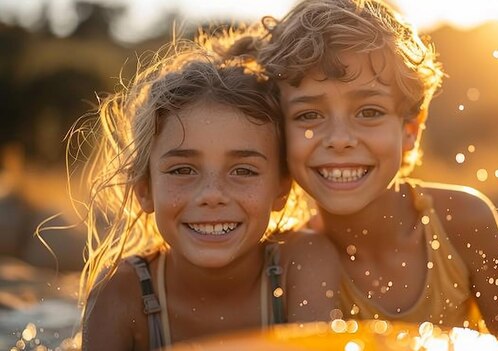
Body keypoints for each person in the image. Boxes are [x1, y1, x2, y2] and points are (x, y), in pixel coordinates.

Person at [258, 0, 498, 349]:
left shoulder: (462, 220)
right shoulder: (289, 260)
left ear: (410, 129)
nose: (339, 139)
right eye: (308, 116)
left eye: (368, 111)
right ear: (278, 134)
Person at [71, 34, 339, 351]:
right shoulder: (121, 295)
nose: (212, 195)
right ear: (144, 189)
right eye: (183, 170)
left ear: (281, 188)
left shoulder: (302, 263)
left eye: (243, 171)